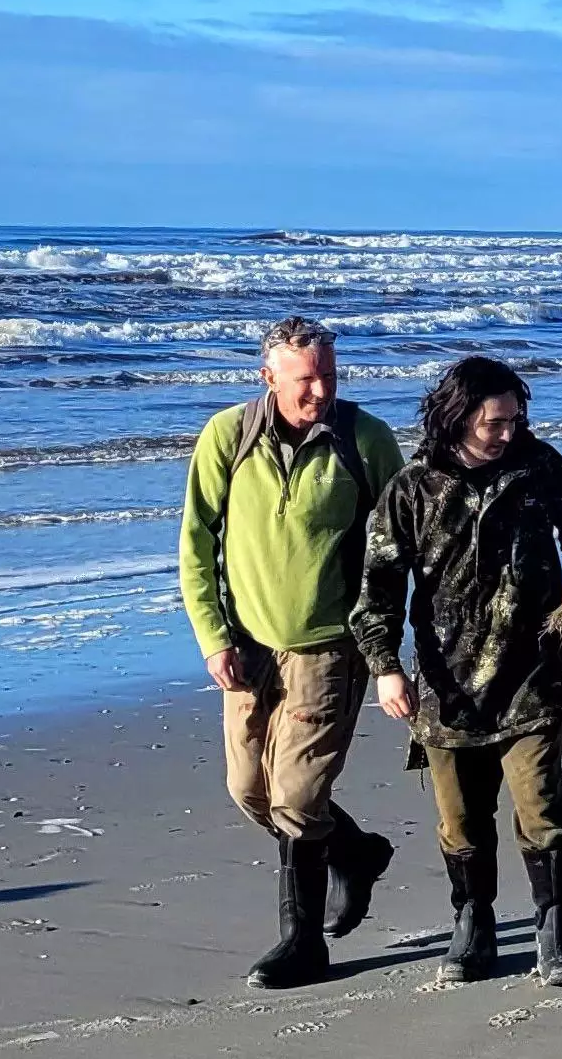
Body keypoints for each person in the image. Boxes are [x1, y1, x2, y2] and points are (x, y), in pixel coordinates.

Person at [353, 356, 562, 988]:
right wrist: (385, 669)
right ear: (457, 418)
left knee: (542, 808)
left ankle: (555, 932)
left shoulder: (538, 468)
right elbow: (376, 589)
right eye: (495, 422)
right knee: (460, 820)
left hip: (531, 674)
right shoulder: (411, 491)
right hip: (446, 688)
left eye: (515, 418)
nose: (509, 432)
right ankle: (473, 924)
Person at [177, 315, 405, 990]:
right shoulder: (228, 435)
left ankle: (301, 942)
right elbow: (196, 543)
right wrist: (213, 635)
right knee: (249, 790)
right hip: (247, 647)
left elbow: (401, 545)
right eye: (305, 378)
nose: (319, 389)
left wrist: (388, 646)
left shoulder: (365, 440)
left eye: (329, 375)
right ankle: (357, 852)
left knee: (299, 795)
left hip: (330, 645)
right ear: (268, 375)